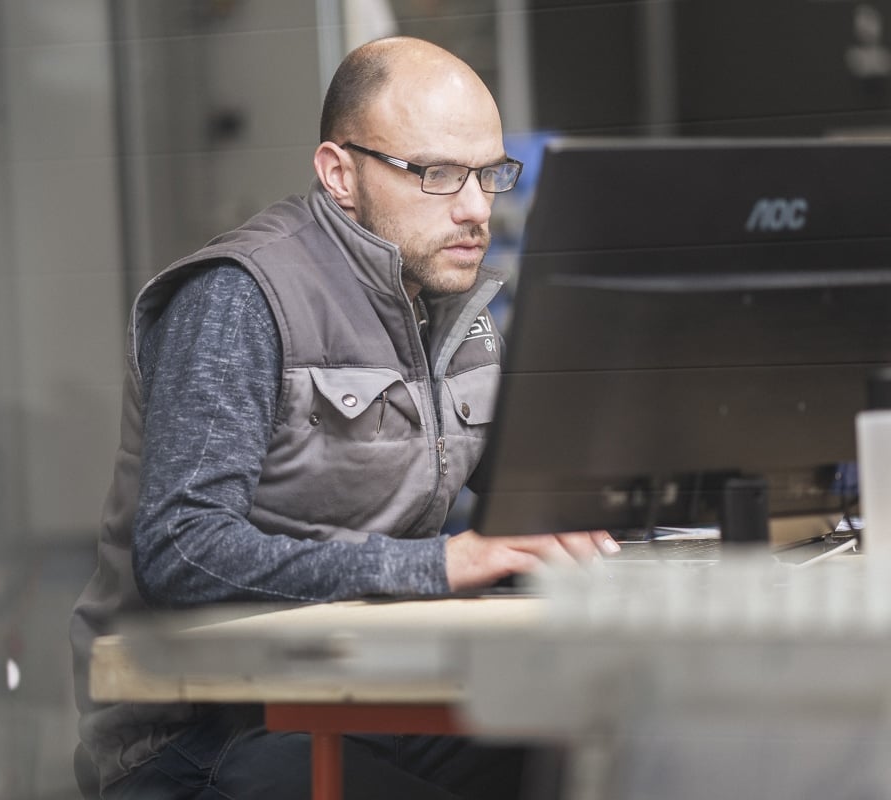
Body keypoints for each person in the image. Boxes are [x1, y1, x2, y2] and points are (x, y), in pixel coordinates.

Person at [70, 36, 619, 800]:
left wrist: (612, 510)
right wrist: (439, 565)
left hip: (363, 696)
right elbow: (182, 551)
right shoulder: (240, 298)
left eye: (490, 175)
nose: (474, 209)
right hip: (199, 737)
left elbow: (529, 494)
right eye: (436, 174)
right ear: (339, 175)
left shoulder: (458, 309)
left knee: (602, 744)